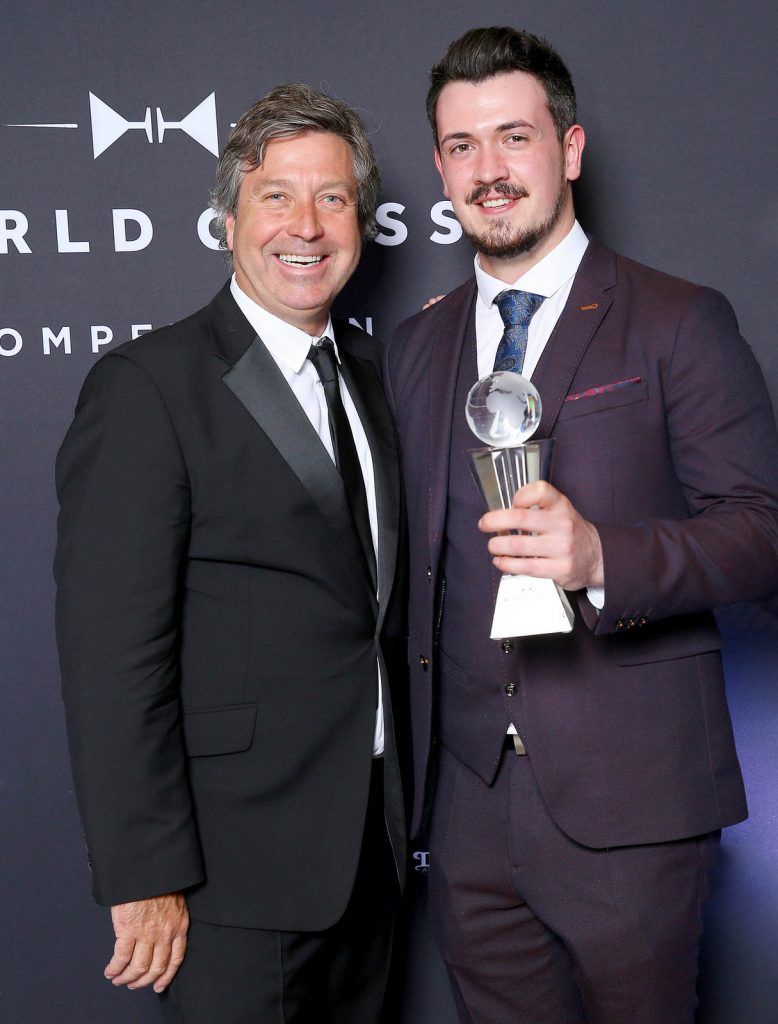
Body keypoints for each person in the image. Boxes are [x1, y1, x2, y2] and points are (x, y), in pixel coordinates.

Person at [384, 26, 778, 1024]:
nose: (489, 171)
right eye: (463, 146)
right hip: (466, 807)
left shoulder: (677, 319)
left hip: (633, 801)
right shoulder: (416, 345)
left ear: (568, 149)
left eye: (513, 138)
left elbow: (763, 528)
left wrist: (606, 554)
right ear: (438, 167)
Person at [55, 83, 407, 1024]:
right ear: (229, 219)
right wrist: (145, 873)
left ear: (361, 220)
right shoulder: (149, 386)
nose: (306, 223)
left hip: (373, 856)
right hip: (228, 880)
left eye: (333, 197)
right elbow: (111, 656)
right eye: (277, 195)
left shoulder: (376, 376)